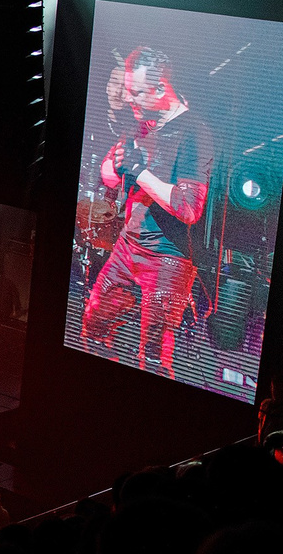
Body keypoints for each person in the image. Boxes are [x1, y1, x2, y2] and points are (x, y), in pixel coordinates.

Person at [79, 44, 214, 376]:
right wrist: (120, 163)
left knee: (153, 359)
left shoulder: (194, 132)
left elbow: (189, 207)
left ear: (160, 89)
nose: (129, 98)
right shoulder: (143, 123)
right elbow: (109, 176)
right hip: (128, 247)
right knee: (92, 328)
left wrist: (139, 171)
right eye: (128, 90)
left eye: (136, 92)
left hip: (168, 259)